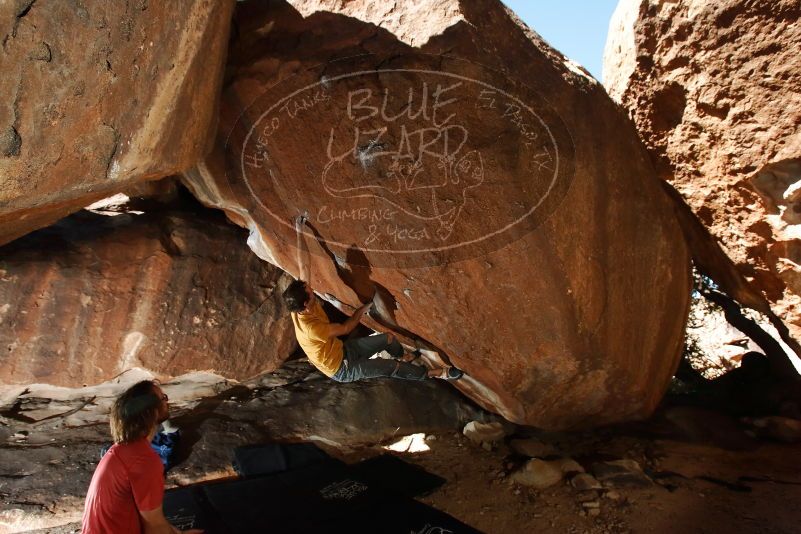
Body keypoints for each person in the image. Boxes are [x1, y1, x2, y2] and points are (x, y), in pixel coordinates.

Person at [283, 215, 463, 383]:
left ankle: (402, 355)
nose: (312, 288)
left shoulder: (298, 305)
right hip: (342, 368)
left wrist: (300, 231)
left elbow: (304, 266)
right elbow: (346, 328)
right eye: (310, 291)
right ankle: (438, 374)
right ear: (306, 304)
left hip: (342, 351)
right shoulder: (312, 330)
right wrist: (361, 310)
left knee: (389, 339)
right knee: (392, 368)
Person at [82, 380, 201, 533]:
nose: (167, 401)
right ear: (151, 412)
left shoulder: (120, 450)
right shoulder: (143, 460)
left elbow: (151, 519)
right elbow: (154, 527)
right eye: (162, 398)